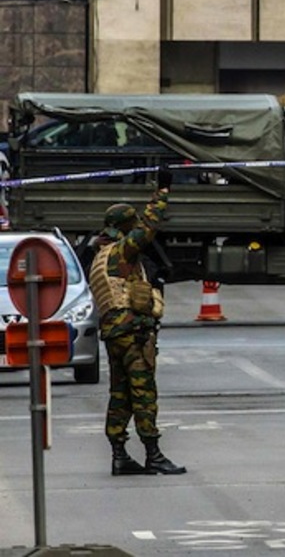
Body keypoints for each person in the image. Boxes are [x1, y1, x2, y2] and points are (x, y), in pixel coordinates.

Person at [88, 167, 187, 476]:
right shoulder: (121, 252)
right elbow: (148, 227)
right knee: (143, 392)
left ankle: (119, 455)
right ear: (123, 228)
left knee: (120, 394)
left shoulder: (99, 256)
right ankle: (153, 454)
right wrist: (162, 194)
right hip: (132, 333)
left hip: (114, 333)